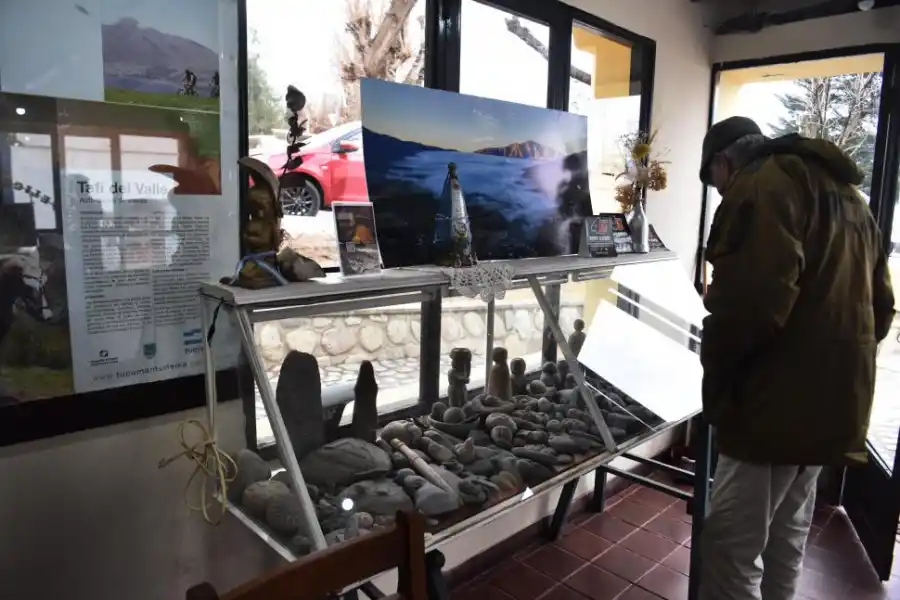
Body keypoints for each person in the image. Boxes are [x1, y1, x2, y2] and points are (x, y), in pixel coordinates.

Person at [697, 116, 895, 600]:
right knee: (787, 537)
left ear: (724, 162)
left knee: (730, 547)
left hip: (771, 408)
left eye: (715, 181)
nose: (720, 192)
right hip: (833, 405)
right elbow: (882, 307)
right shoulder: (849, 197)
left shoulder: (762, 185)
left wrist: (717, 375)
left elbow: (751, 305)